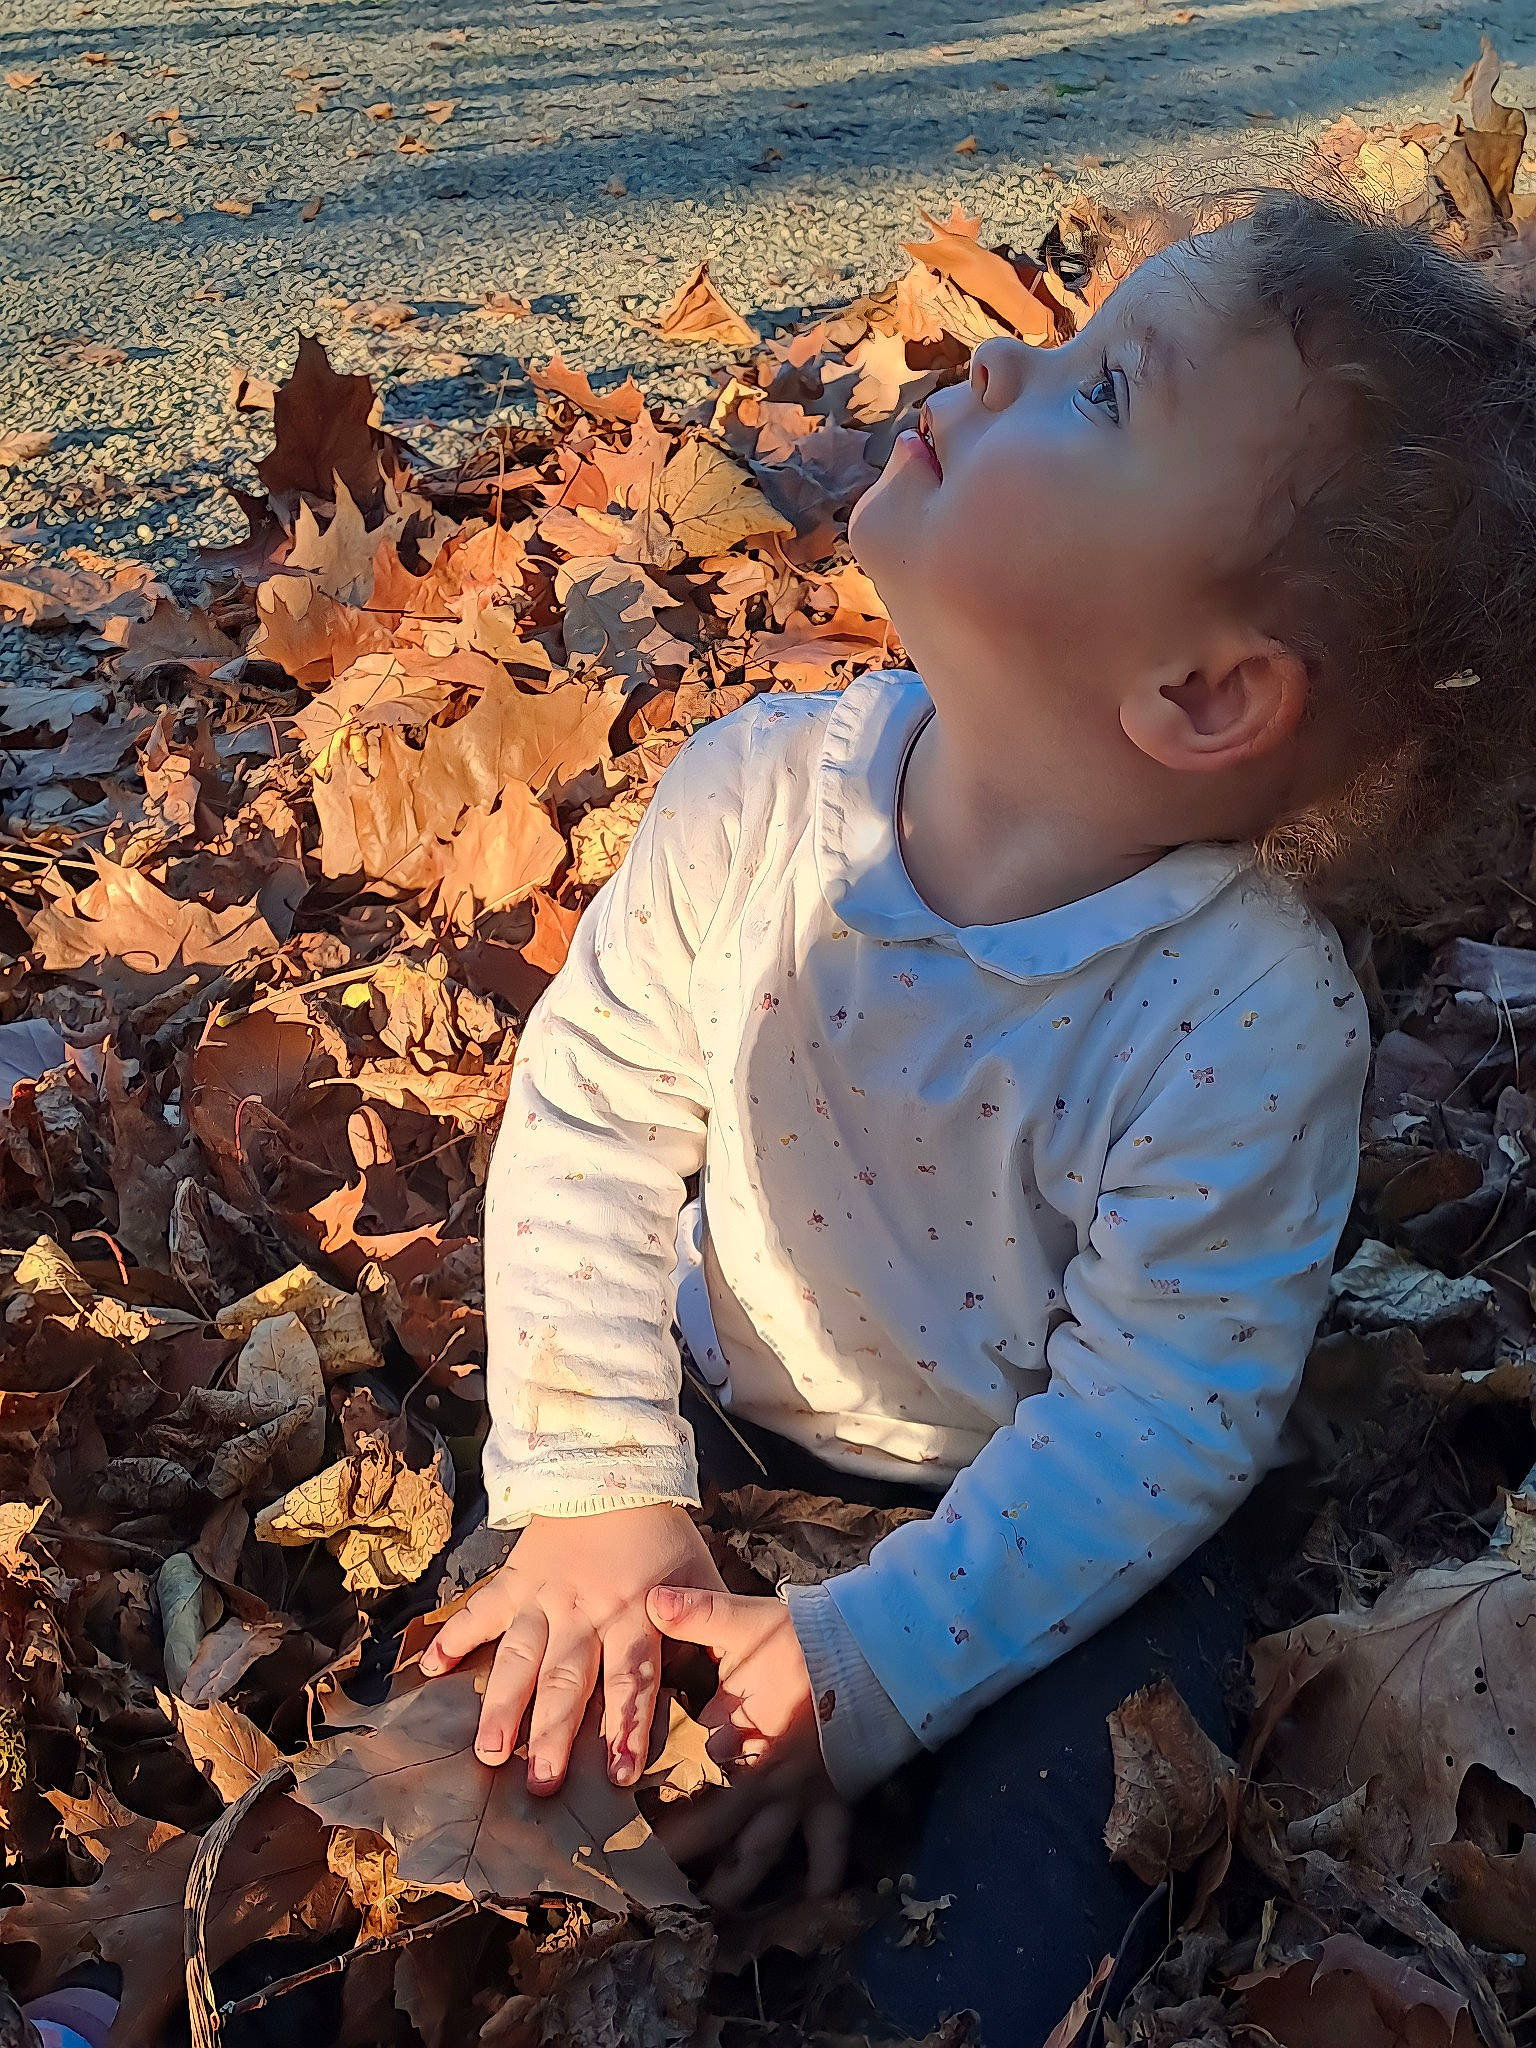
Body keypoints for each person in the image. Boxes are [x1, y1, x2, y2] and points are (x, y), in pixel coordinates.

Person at [420, 185, 1536, 2041]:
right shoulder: (755, 802)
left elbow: (1154, 1422)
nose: (1010, 353)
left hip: (1046, 1505)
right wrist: (602, 1487)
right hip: (723, 1394)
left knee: (1078, 1820)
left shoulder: (1244, 1015)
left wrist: (867, 1673)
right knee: (519, 1676)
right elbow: (594, 1119)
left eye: (1104, 394)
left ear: (1200, 691)